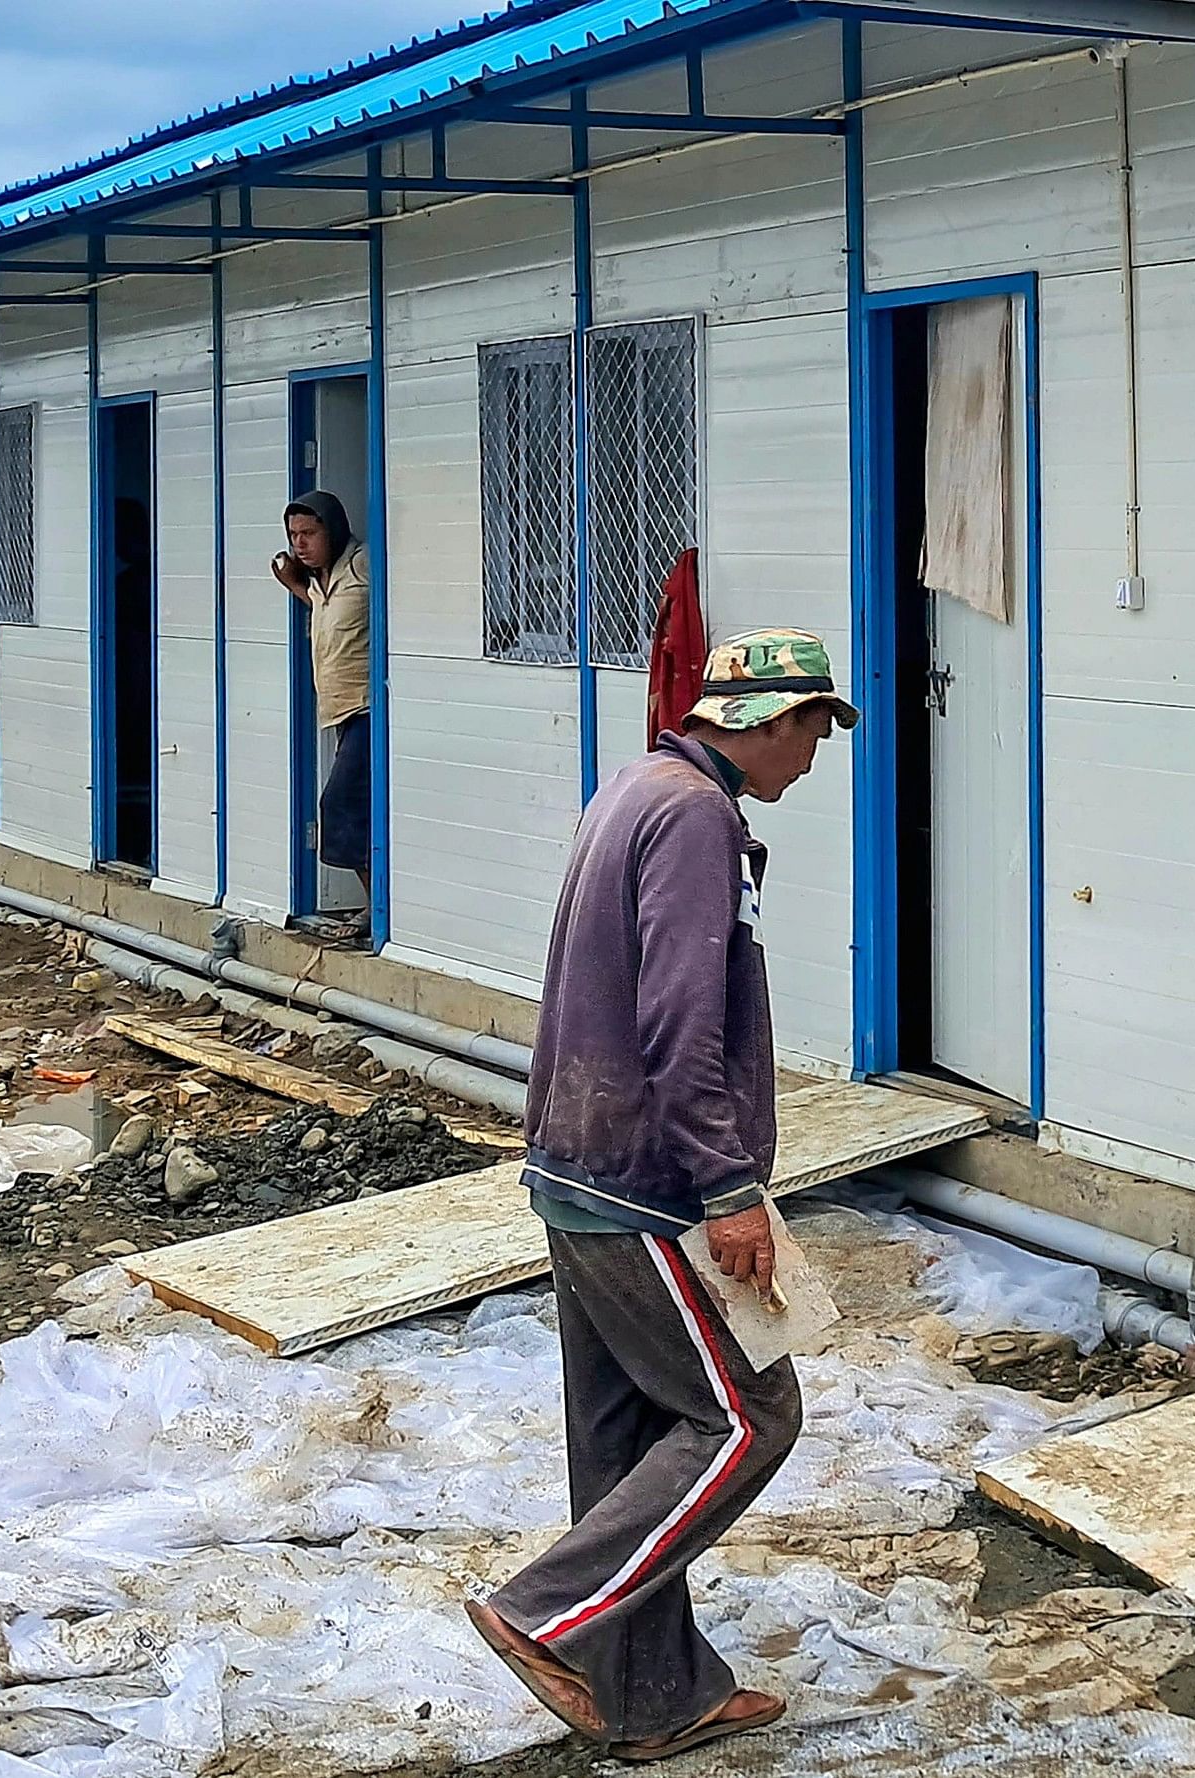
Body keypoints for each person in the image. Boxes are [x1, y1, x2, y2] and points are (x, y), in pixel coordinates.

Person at [466, 629, 854, 1761]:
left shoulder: (637, 780)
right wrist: (727, 1184)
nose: (816, 756)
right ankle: (542, 1611)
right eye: (813, 731)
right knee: (747, 1415)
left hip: (577, 1159)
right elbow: (680, 1017)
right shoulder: (695, 815)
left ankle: (647, 1696)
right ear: (767, 721)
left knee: (624, 1434)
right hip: (644, 1176)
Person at [271, 490, 370, 923]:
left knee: (340, 804)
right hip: (341, 712)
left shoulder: (363, 565)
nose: (300, 544)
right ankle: (378, 904)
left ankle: (377, 907)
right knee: (359, 806)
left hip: (370, 710)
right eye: (294, 535)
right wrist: (295, 584)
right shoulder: (321, 582)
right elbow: (330, 612)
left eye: (309, 533)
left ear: (334, 529)